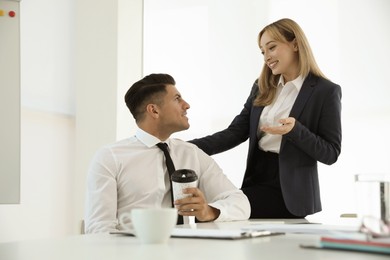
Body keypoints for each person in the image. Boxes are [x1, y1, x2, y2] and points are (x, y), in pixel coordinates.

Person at [189, 18, 342, 219]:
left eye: (271, 48)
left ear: (295, 44)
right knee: (215, 210)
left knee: (215, 211)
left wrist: (295, 130)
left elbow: (331, 153)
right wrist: (186, 148)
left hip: (289, 191)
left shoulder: (325, 91)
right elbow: (235, 133)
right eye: (263, 52)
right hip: (256, 177)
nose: (266, 57)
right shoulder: (262, 86)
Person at [84, 73, 250, 233]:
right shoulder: (110, 157)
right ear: (154, 111)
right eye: (177, 99)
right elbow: (100, 228)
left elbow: (241, 203)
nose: (187, 105)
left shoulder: (192, 154)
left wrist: (210, 211)